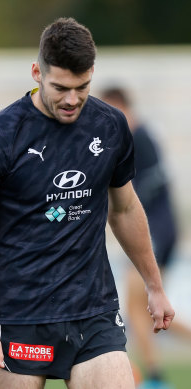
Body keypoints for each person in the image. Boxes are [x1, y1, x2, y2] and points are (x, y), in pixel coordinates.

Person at [0, 17, 175, 389]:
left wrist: (155, 285)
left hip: (93, 311)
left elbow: (126, 208)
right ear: (37, 72)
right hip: (19, 317)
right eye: (60, 87)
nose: (72, 99)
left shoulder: (111, 126)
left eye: (82, 87)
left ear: (93, 73)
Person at [101, 87, 189, 389]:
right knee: (140, 307)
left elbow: (137, 197)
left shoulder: (136, 137)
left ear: (121, 106)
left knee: (140, 306)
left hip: (156, 233)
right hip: (158, 231)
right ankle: (154, 375)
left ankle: (155, 378)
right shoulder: (142, 136)